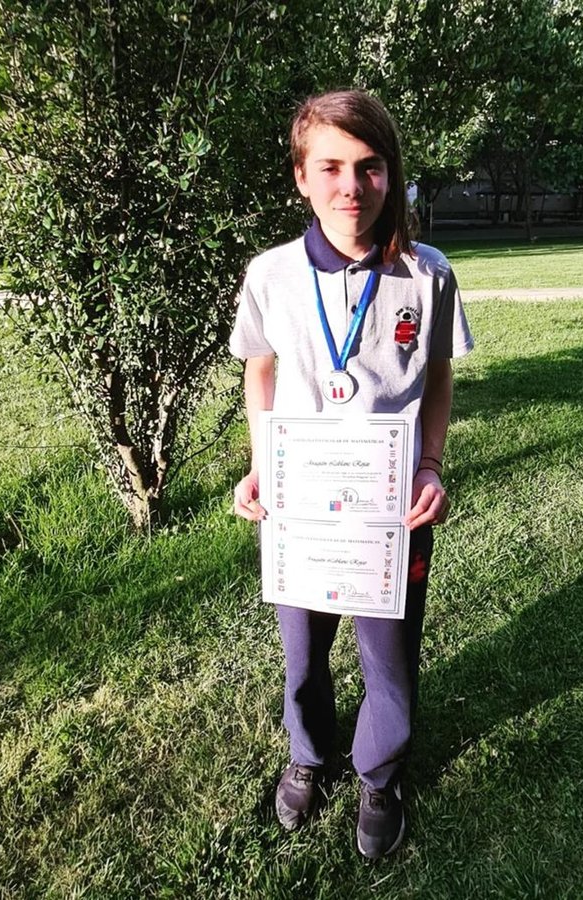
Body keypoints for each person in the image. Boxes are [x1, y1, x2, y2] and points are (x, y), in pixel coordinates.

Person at [230, 89, 473, 859]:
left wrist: (430, 464)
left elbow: (438, 377)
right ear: (301, 176)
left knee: (390, 660)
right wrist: (261, 465)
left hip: (390, 512)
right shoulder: (271, 274)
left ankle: (378, 773)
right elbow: (259, 371)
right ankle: (309, 755)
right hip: (303, 512)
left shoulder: (427, 274)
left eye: (369, 167)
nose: (351, 186)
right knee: (303, 655)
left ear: (390, 174)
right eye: (330, 167)